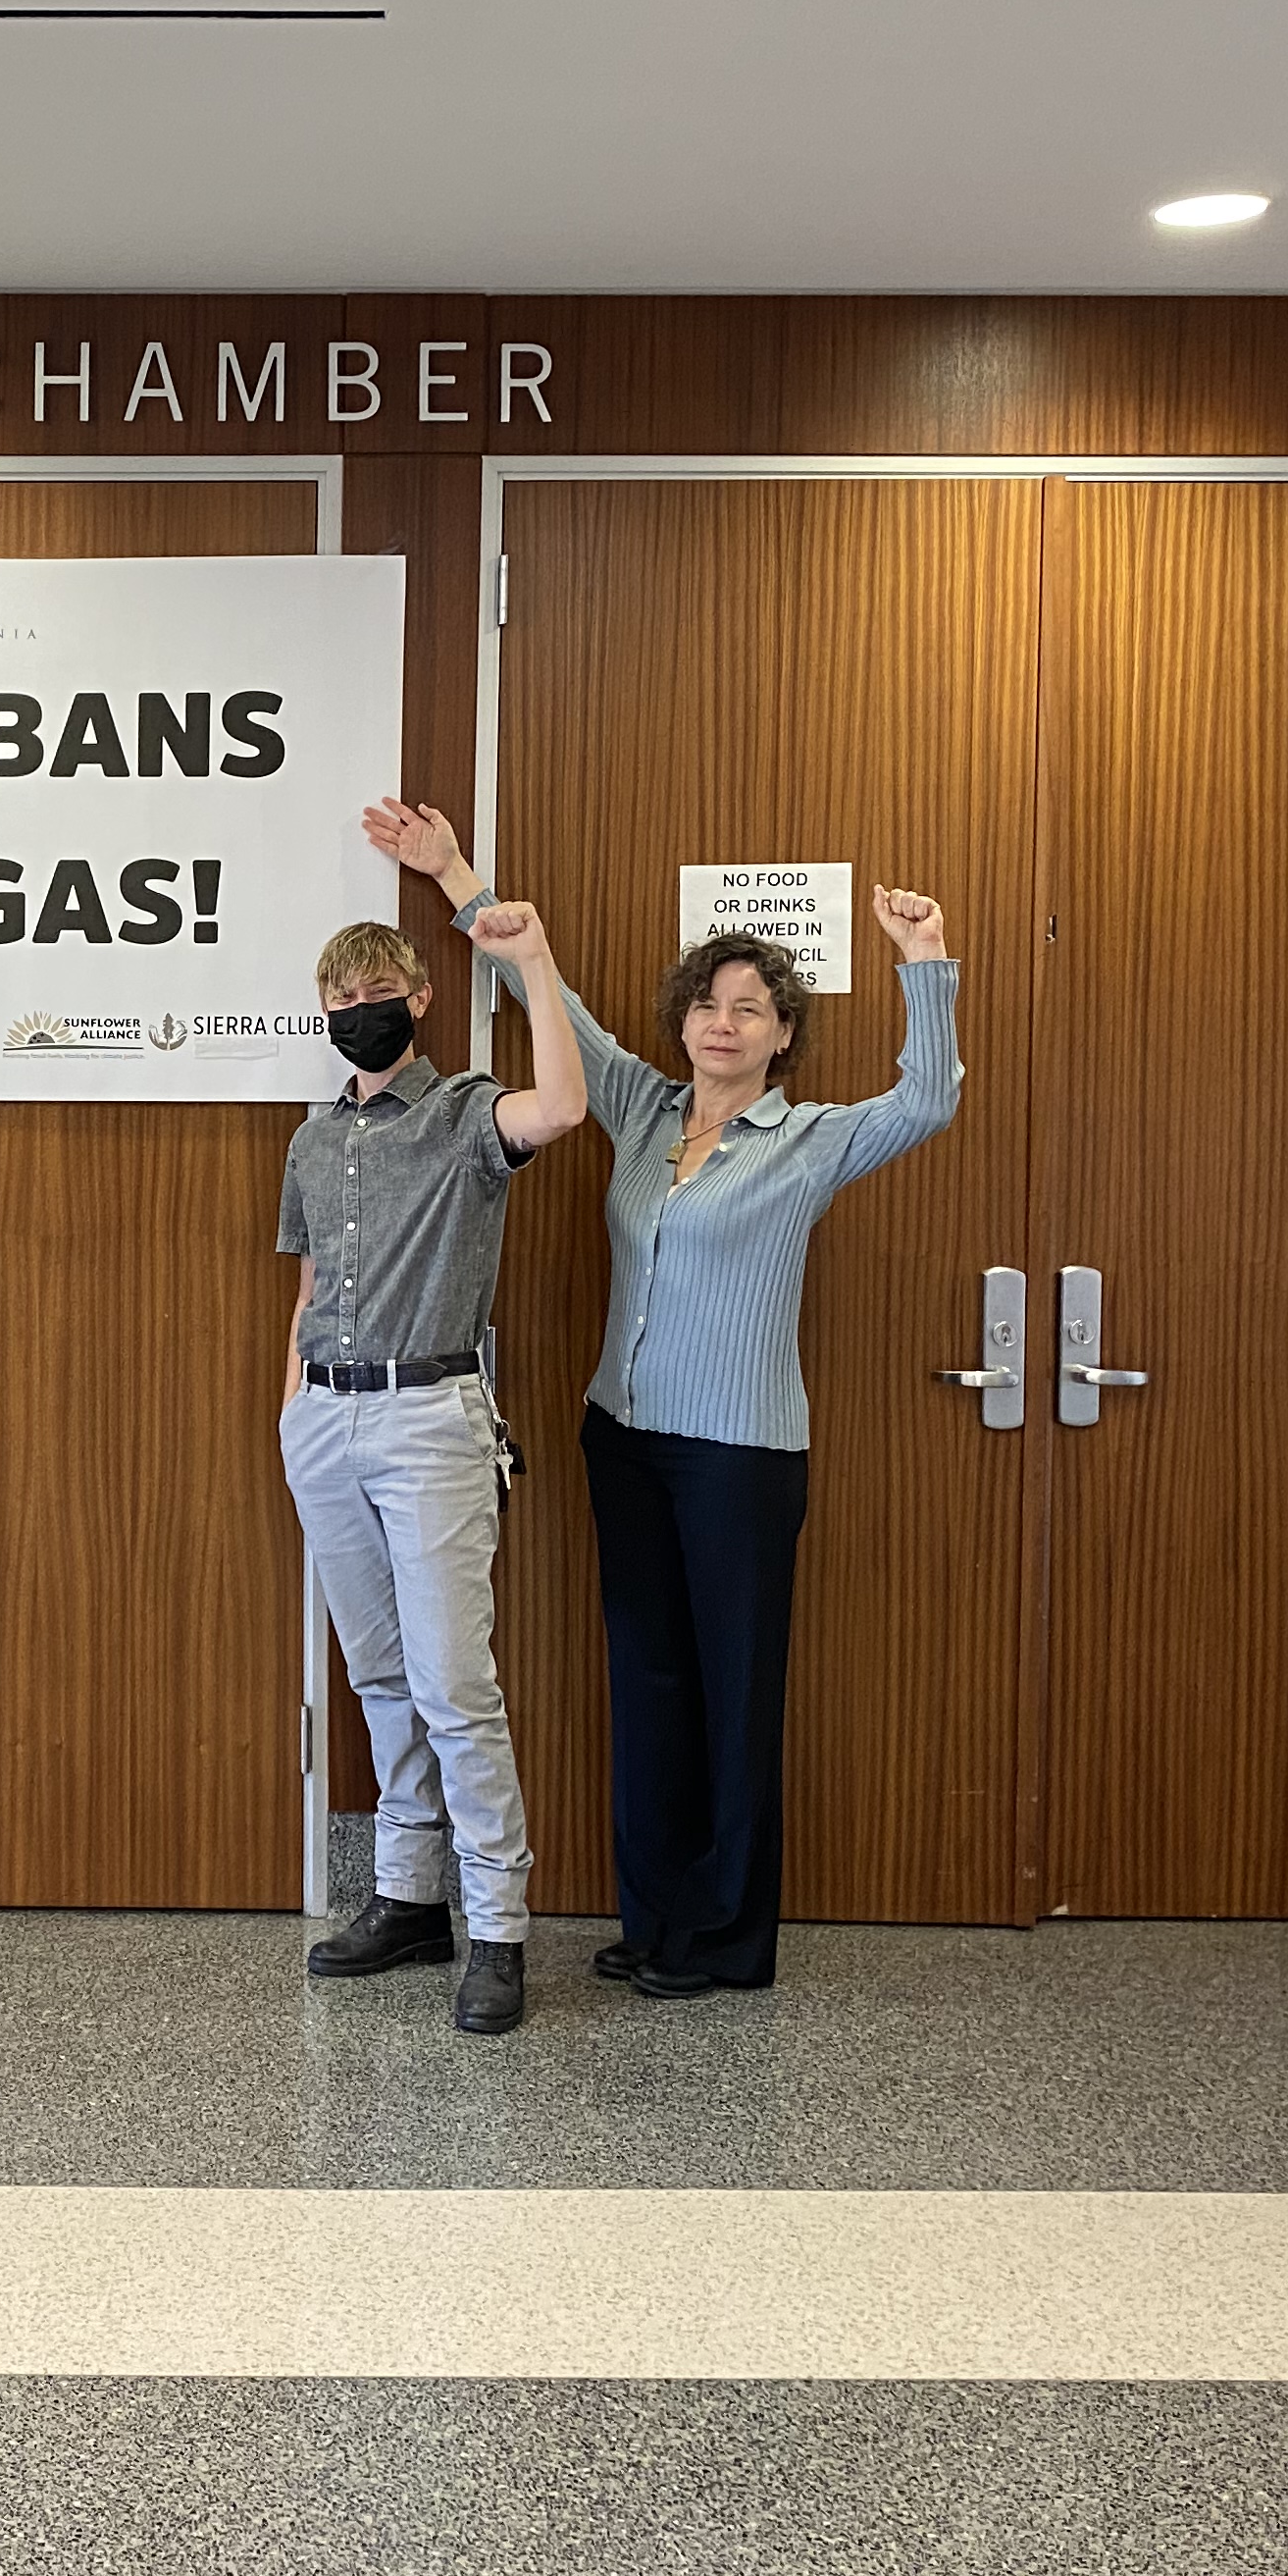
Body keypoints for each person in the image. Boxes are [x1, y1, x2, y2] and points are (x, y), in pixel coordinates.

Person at [368, 799, 958, 2002]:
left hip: (740, 1457)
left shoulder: (814, 1140)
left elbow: (930, 1101)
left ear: (783, 1034)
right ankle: (655, 1923)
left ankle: (726, 1943)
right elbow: (555, 1004)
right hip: (623, 1440)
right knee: (647, 1684)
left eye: (751, 1007)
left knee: (735, 1694)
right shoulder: (638, 1107)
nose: (723, 1021)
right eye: (708, 1002)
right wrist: (458, 879)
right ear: (683, 1021)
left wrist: (926, 964)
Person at [282, 889, 591, 2037]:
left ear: (419, 1001)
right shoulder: (315, 1137)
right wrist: (292, 1410)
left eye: (377, 996)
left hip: (431, 1419)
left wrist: (536, 962)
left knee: (457, 1686)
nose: (359, 1013)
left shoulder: (464, 1113)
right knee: (378, 1677)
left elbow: (560, 1106)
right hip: (325, 1421)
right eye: (339, 1000)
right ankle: (410, 1899)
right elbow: (309, 1282)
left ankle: (498, 1927)